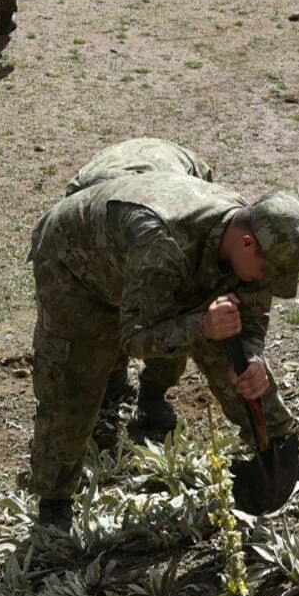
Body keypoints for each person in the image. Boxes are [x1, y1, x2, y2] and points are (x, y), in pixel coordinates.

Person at [26, 174, 299, 532]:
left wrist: (252, 358)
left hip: (155, 261)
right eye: (267, 272)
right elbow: (134, 339)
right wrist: (202, 326)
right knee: (75, 376)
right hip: (75, 267)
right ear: (246, 242)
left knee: (236, 356)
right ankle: (54, 503)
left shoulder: (256, 241)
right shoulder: (162, 244)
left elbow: (251, 318)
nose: (266, 281)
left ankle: (281, 461)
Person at [64, 138, 215, 444]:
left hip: (163, 176)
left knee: (174, 304)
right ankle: (113, 383)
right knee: (102, 302)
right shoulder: (95, 211)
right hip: (96, 191)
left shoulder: (188, 206)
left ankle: (152, 396)